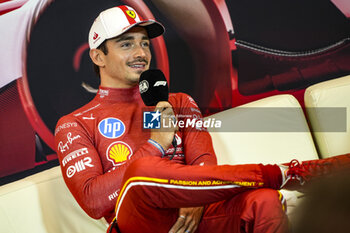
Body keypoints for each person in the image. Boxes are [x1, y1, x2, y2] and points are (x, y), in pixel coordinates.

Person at [54, 5, 350, 233]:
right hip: (139, 223)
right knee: (143, 171)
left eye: (144, 43)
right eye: (126, 44)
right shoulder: (74, 123)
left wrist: (194, 198)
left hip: (195, 216)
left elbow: (204, 163)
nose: (141, 53)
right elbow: (94, 202)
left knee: (265, 202)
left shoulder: (178, 102)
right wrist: (155, 146)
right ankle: (286, 172)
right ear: (97, 57)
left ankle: (283, 176)